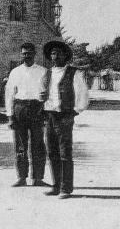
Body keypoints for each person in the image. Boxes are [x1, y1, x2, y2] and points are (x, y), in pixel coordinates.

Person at [42, 40, 89, 199]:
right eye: (53, 53)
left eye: (59, 53)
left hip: (65, 116)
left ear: (65, 55)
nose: (55, 56)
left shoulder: (74, 73)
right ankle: (56, 185)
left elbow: (82, 95)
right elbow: (43, 93)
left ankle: (66, 188)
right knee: (52, 151)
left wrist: (74, 112)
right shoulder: (48, 73)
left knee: (65, 153)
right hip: (50, 116)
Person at [4, 42, 49, 187]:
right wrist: (10, 116)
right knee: (21, 145)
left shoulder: (43, 71)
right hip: (20, 108)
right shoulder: (15, 72)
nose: (27, 56)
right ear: (21, 55)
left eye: (29, 53)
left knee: (38, 145)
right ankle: (22, 177)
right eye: (24, 53)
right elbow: (9, 94)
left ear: (34, 54)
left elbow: (48, 94)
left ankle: (38, 178)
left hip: (37, 109)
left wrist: (46, 111)